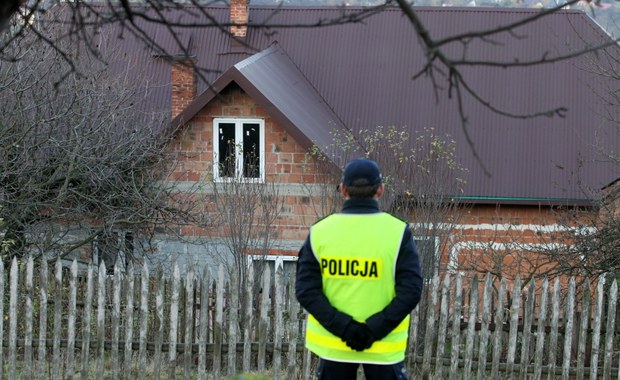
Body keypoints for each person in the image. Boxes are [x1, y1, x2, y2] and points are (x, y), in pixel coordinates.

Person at [295, 158, 424, 380]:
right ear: (381, 190)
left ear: (343, 190)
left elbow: (306, 290)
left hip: (334, 348)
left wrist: (345, 328)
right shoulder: (398, 232)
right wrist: (373, 329)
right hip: (384, 349)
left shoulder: (320, 232)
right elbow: (411, 290)